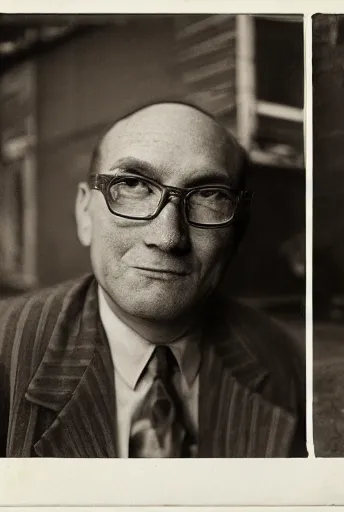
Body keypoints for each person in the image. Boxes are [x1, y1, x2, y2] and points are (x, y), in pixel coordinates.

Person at [0, 101, 306, 458]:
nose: (168, 237)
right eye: (132, 184)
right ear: (85, 213)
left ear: (238, 230)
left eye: (209, 195)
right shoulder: (6, 351)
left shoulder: (281, 359)